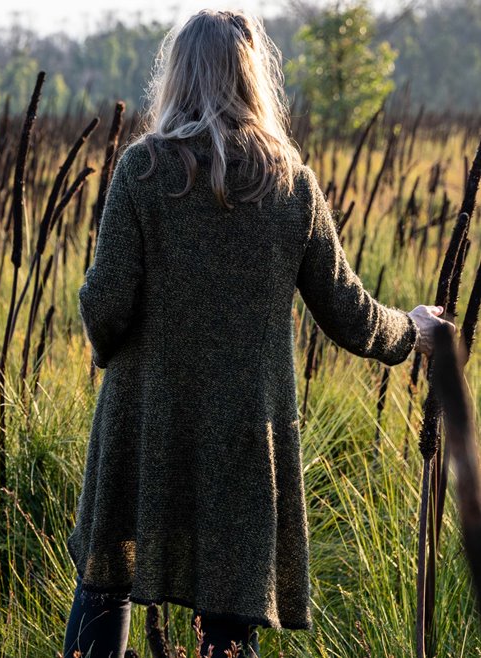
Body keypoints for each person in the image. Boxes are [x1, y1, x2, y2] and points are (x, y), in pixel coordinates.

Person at [62, 8, 455, 658]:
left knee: (108, 584)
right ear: (252, 78)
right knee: (228, 625)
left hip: (145, 424)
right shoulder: (290, 185)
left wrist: (110, 343)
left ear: (178, 77)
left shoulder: (142, 172)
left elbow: (105, 307)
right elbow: (353, 316)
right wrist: (411, 331)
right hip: (245, 440)